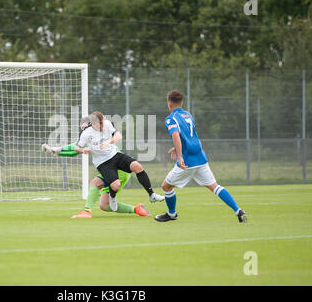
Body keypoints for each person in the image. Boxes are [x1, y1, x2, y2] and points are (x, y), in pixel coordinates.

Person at [154, 90, 247, 223]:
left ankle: (172, 214)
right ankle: (238, 210)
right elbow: (189, 135)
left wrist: (180, 157)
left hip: (187, 161)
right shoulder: (188, 115)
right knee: (215, 186)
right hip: (200, 157)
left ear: (169, 104)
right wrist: (177, 147)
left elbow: (176, 135)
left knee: (166, 186)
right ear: (181, 102)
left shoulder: (170, 118)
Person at [41, 117, 151, 218]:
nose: (84, 131)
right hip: (114, 170)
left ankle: (86, 212)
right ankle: (137, 209)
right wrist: (57, 153)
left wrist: (56, 149)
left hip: (119, 169)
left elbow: (74, 146)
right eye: (82, 129)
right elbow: (75, 151)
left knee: (94, 183)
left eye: (86, 127)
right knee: (104, 205)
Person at [75, 111, 164, 212]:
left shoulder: (107, 124)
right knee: (115, 186)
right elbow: (76, 147)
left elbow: (118, 135)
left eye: (102, 123)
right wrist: (82, 150)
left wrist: (108, 141)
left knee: (137, 166)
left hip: (114, 155)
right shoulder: (86, 133)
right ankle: (112, 197)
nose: (101, 126)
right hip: (103, 163)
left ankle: (151, 195)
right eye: (98, 124)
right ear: (92, 123)